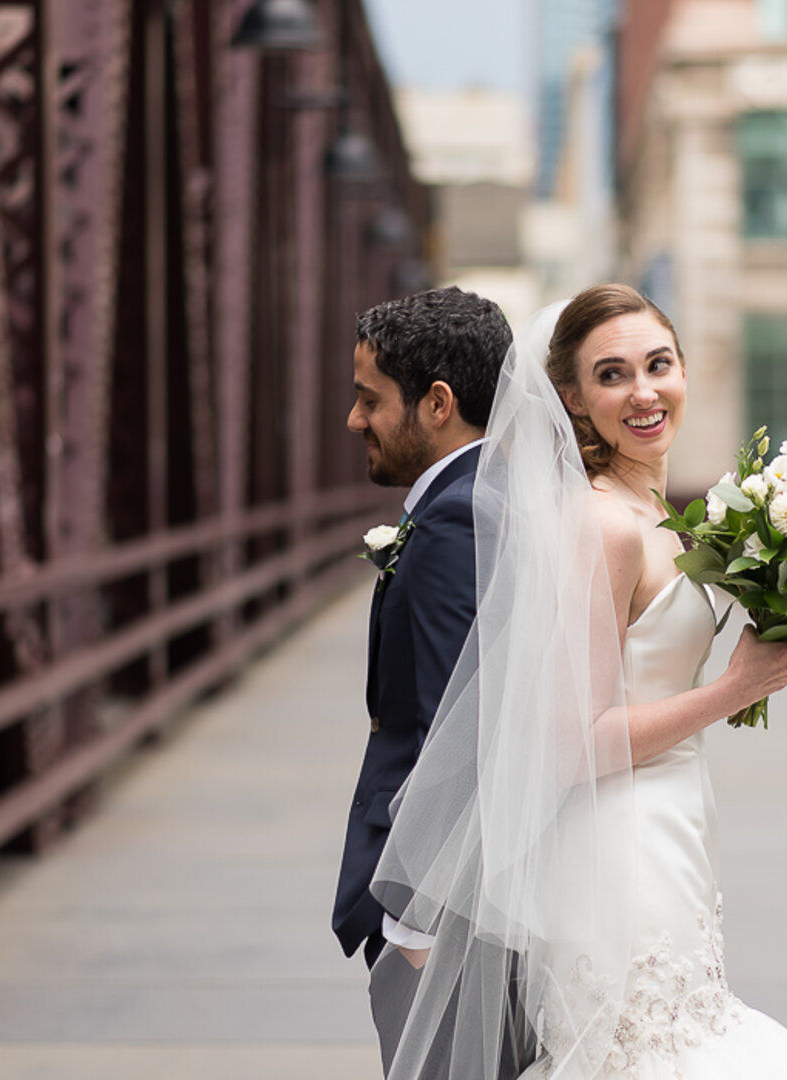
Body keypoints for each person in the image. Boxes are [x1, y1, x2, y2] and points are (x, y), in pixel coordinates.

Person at [372, 285, 787, 1079]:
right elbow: (574, 741)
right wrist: (734, 688)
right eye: (611, 374)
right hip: (613, 841)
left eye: (658, 364)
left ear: (684, 370)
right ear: (571, 398)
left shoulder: (661, 512)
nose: (643, 392)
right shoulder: (599, 525)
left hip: (671, 822)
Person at [331, 286, 526, 1079]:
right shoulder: (479, 496)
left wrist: (416, 926)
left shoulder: (456, 521)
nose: (353, 421)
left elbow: (469, 733)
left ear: (437, 403)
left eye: (368, 399)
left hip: (438, 916)